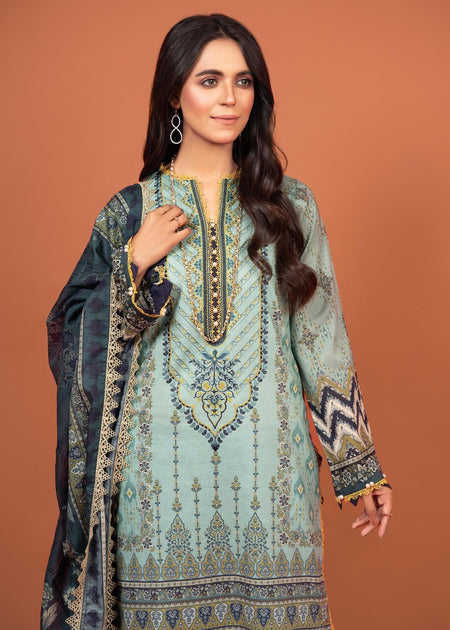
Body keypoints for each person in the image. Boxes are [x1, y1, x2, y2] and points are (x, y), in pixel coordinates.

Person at [40, 12, 393, 630]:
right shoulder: (130, 212)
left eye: (243, 81)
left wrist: (358, 465)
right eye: (209, 80)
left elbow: (321, 338)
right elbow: (72, 333)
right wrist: (132, 261)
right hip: (158, 485)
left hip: (271, 480)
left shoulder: (290, 207)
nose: (230, 97)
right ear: (174, 94)